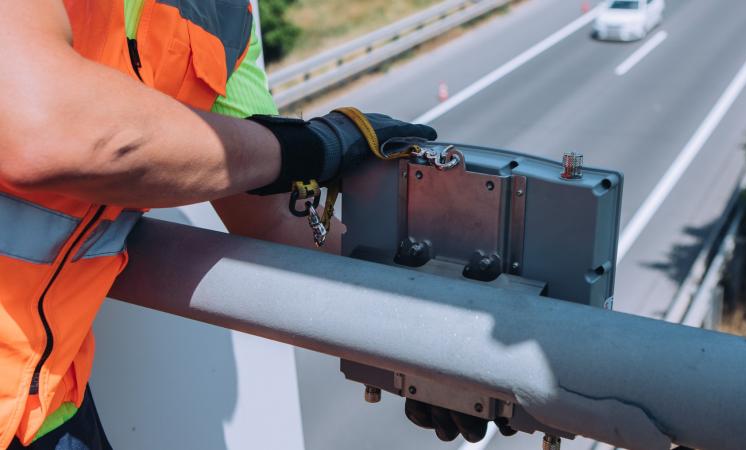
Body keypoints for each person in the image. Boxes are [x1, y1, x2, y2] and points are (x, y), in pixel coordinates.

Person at [0, 0, 510, 448]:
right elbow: (44, 130)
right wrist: (307, 148)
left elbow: (268, 211)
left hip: (43, 399)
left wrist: (427, 338)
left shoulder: (227, 13)